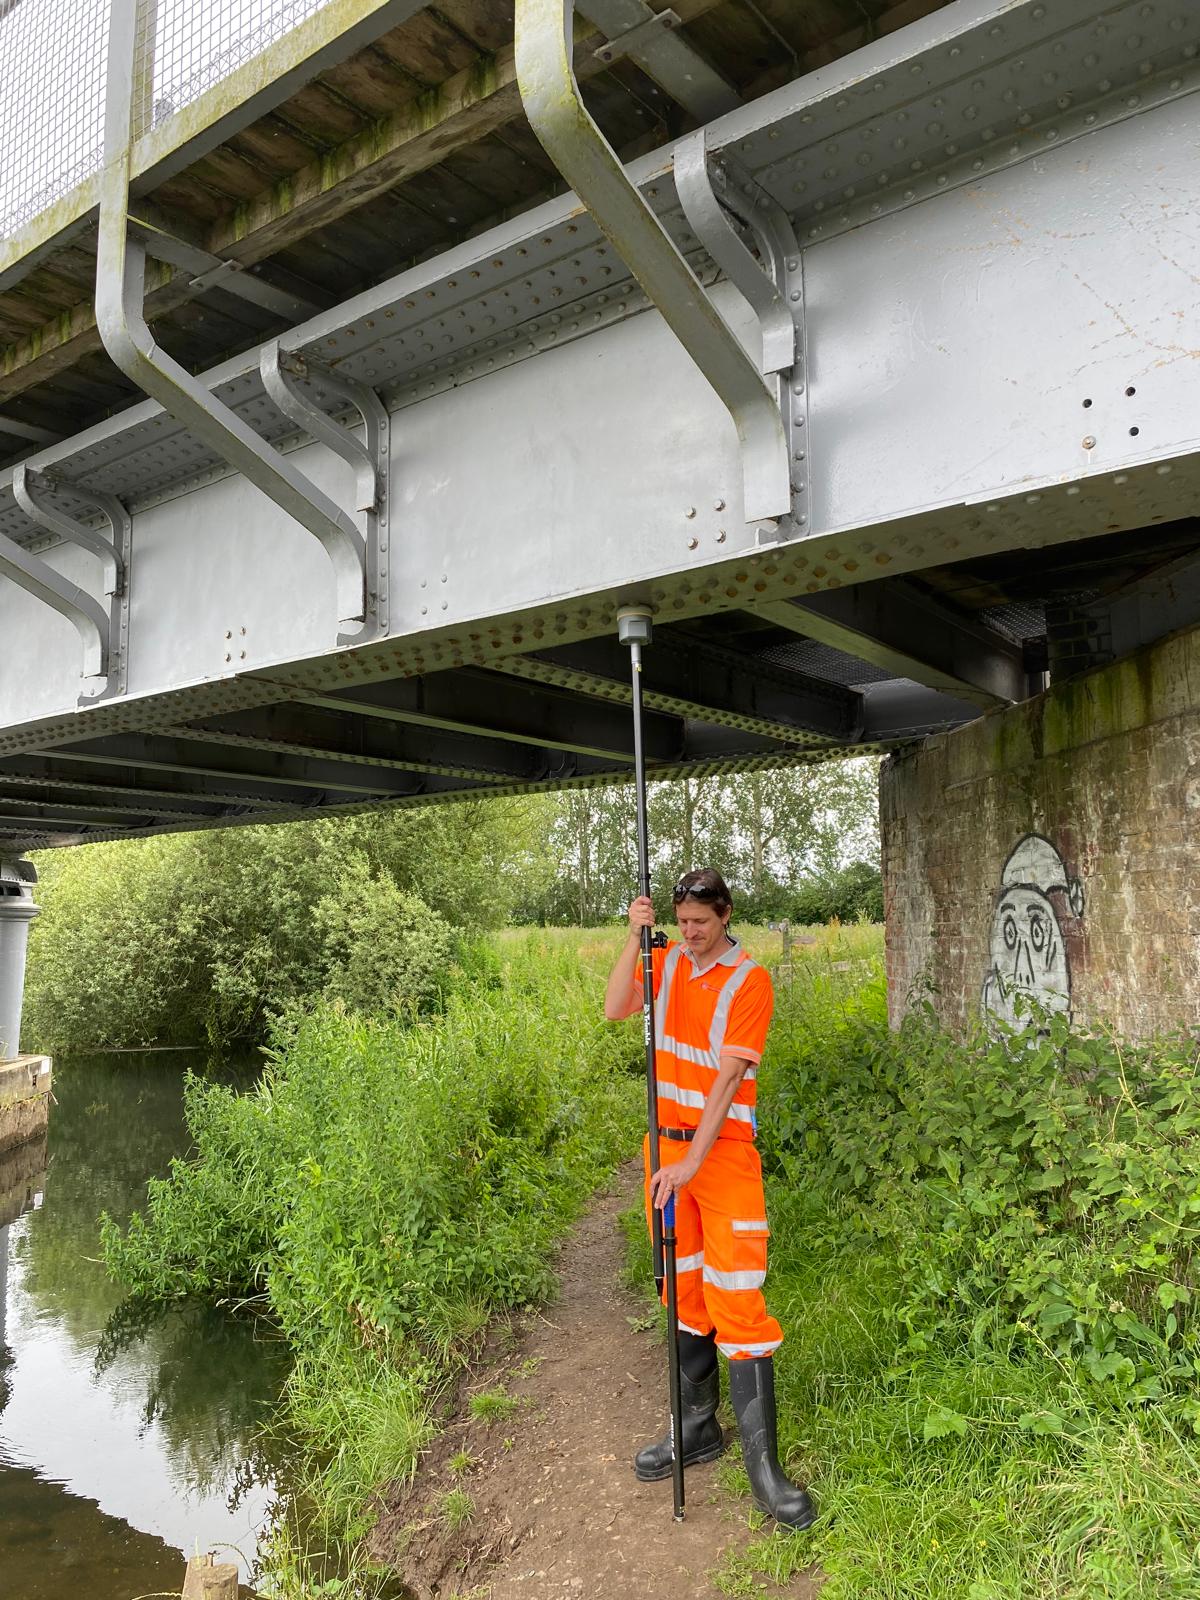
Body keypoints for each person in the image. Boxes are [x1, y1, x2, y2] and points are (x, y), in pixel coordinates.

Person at [603, 868, 815, 1530]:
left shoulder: (749, 980)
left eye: (701, 922)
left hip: (717, 1160)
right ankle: (696, 1428)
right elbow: (615, 1007)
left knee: (738, 1297)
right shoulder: (663, 961)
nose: (689, 933)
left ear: (725, 914)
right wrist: (634, 939)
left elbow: (727, 1081)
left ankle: (766, 1474)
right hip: (663, 1158)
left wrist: (693, 1161)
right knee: (683, 1289)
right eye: (680, 922)